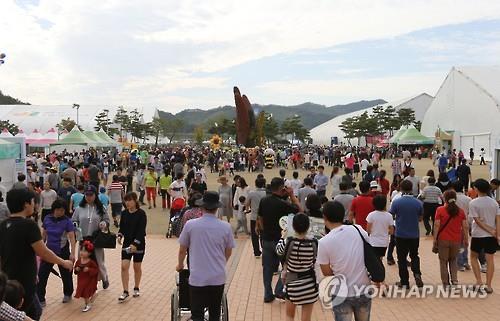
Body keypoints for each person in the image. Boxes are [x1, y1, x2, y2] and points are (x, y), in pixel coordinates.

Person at [0, 189, 73, 320]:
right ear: (26, 204)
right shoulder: (29, 225)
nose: (35, 205)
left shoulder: (2, 225)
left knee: (34, 310)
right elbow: (43, 252)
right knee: (28, 315)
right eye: (34, 201)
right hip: (24, 282)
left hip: (9, 282)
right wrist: (63, 262)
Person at [177, 191, 235, 321]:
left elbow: (182, 250)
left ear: (202, 207)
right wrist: (220, 262)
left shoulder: (191, 225)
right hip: (217, 276)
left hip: (198, 277)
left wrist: (180, 264)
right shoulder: (226, 227)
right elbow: (229, 251)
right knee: (215, 314)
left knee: (197, 314)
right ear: (216, 208)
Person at [318, 201, 372, 321]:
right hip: (363, 288)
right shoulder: (358, 229)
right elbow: (368, 248)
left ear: (325, 217)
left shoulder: (324, 242)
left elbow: (326, 272)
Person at [257, 177, 301, 303]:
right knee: (287, 266)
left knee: (267, 268)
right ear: (282, 188)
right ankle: (279, 289)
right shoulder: (283, 204)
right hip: (280, 241)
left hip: (266, 239)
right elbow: (300, 211)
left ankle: (267, 294)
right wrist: (292, 195)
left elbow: (259, 217)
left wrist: (263, 231)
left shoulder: (264, 200)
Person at [276, 214, 318, 321]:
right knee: (306, 318)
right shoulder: (314, 243)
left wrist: (282, 237)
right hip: (310, 285)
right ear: (308, 227)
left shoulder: (288, 242)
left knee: (290, 316)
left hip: (293, 286)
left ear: (293, 227)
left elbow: (278, 250)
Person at [37, 199, 76, 306]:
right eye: (59, 210)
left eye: (63, 210)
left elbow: (72, 238)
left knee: (66, 274)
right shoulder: (47, 219)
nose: (61, 212)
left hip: (63, 251)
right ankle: (40, 298)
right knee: (42, 274)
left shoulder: (67, 221)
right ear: (54, 209)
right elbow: (43, 235)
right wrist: (39, 250)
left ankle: (67, 293)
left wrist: (72, 253)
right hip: (48, 251)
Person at [72, 185, 110, 290]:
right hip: (83, 239)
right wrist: (75, 225)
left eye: (91, 195)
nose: (88, 197)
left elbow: (107, 220)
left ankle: (104, 277)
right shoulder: (79, 208)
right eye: (86, 195)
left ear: (95, 195)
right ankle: (86, 284)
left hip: (96, 239)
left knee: (98, 261)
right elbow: (74, 220)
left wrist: (104, 223)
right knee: (83, 262)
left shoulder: (101, 208)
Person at [389, 180, 424, 288]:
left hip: (401, 234)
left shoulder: (397, 202)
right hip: (414, 234)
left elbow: (391, 215)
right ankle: (417, 273)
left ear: (401, 188)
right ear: (411, 188)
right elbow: (420, 218)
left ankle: (404, 281)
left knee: (402, 258)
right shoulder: (418, 203)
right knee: (414, 255)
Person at [469, 179, 500, 294]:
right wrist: (496, 233)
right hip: (491, 236)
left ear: (477, 189)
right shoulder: (494, 203)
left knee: (473, 257)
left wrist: (491, 231)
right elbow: (498, 219)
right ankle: (489, 285)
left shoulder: (473, 203)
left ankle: (478, 281)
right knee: (490, 259)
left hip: (478, 234)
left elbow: (477, 221)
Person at [433, 190, 468, 286]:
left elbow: (436, 225)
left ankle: (445, 282)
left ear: (445, 199)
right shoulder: (460, 211)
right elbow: (465, 226)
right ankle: (455, 279)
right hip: (456, 239)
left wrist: (435, 239)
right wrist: (466, 239)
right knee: (453, 260)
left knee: (443, 261)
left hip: (443, 239)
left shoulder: (440, 210)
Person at [117, 192, 147, 302]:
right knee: (124, 266)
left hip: (139, 244)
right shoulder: (124, 213)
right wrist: (120, 235)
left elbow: (141, 231)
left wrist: (135, 244)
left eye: (130, 200)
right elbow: (122, 228)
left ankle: (136, 287)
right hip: (127, 244)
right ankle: (125, 291)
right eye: (126, 200)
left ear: (135, 200)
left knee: (136, 267)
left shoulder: (141, 214)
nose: (127, 203)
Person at [366, 195, 394, 262]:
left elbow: (368, 230)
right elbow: (392, 231)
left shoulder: (371, 215)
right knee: (380, 259)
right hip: (384, 242)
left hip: (373, 241)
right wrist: (386, 232)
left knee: (375, 260)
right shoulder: (389, 216)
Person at [74, 240, 99, 312]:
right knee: (83, 292)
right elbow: (75, 269)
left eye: (84, 251)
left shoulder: (91, 262)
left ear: (89, 253)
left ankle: (88, 305)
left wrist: (89, 270)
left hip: (88, 280)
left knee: (86, 293)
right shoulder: (79, 261)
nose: (82, 252)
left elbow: (96, 270)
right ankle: (93, 295)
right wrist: (77, 269)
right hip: (81, 279)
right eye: (81, 250)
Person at [246, 177, 267, 258]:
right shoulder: (266, 193)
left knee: (254, 236)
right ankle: (265, 250)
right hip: (264, 217)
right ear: (264, 184)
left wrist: (248, 209)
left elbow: (247, 203)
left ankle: (256, 252)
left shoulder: (251, 193)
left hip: (254, 217)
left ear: (255, 184)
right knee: (263, 234)